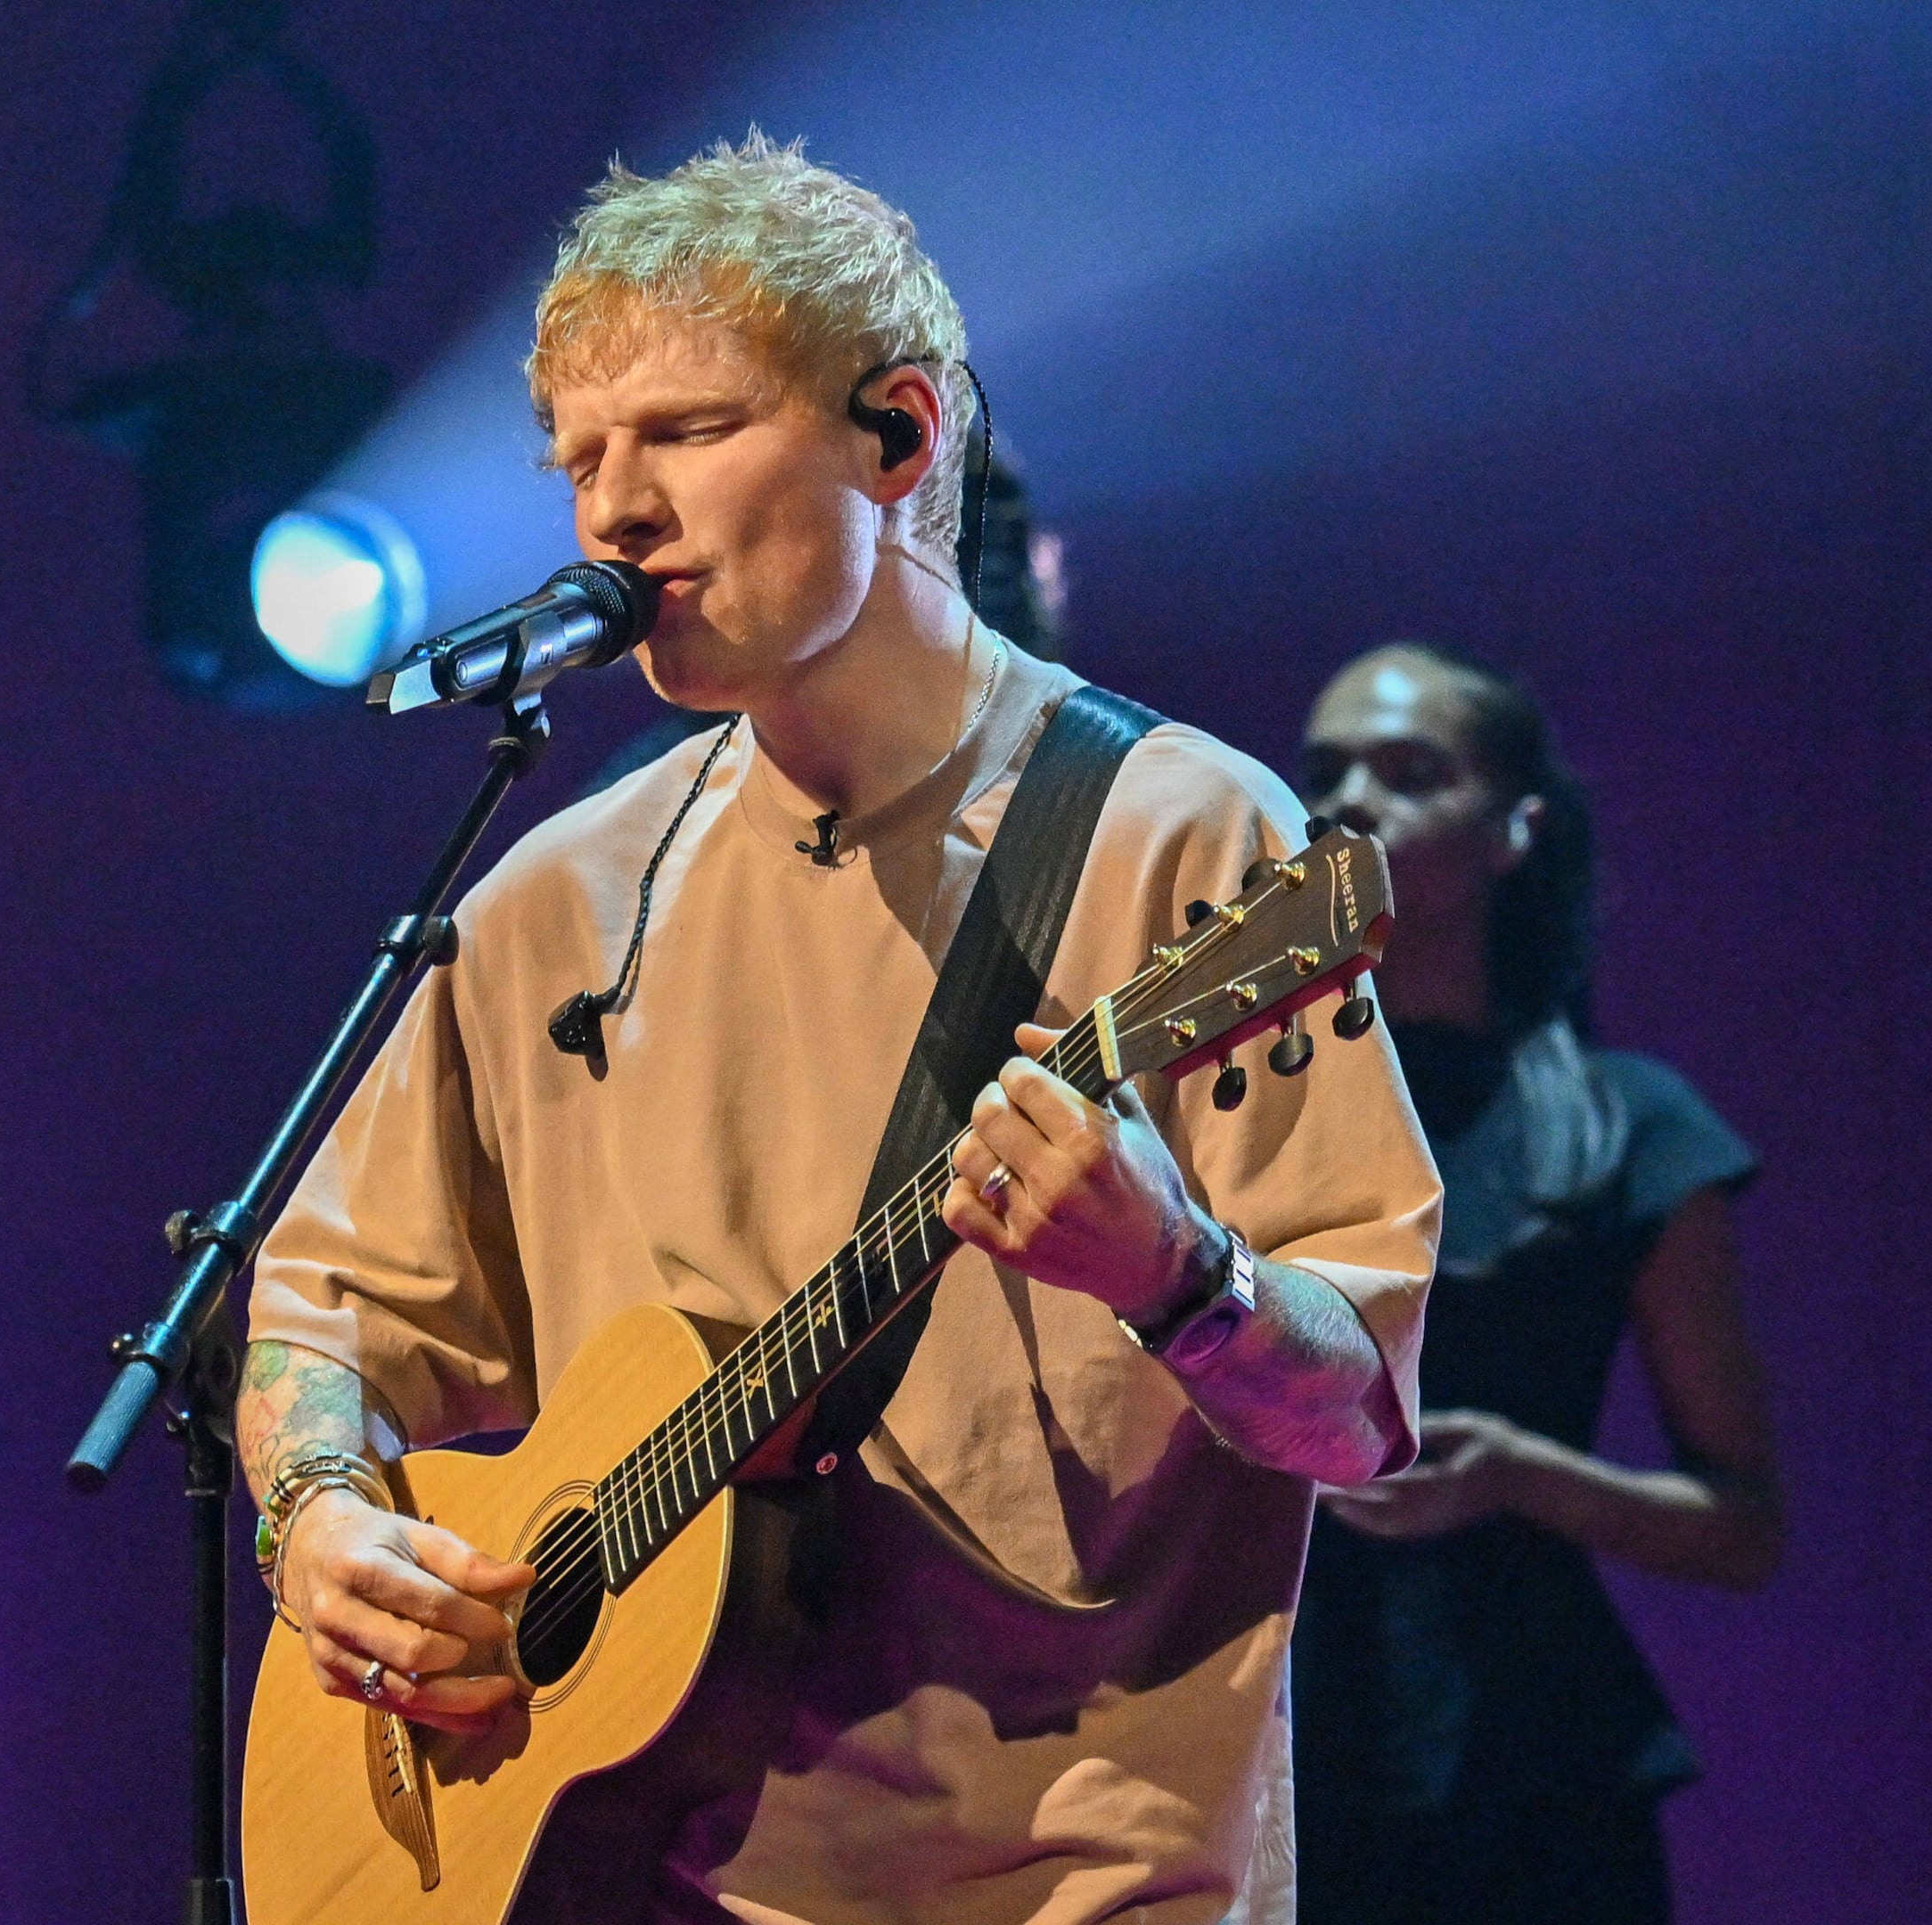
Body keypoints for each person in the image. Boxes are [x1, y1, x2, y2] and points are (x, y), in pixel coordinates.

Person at [238, 135, 1441, 1922]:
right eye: (580, 458)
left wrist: (1179, 1273)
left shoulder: (1187, 838)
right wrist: (325, 1517)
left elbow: (1358, 1424)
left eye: (686, 431)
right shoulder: (550, 903)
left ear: (898, 436)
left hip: (1082, 1888)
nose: (612, 511)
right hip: (644, 1874)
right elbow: (318, 1299)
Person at [1284, 643, 1784, 1925]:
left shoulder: (1629, 1125)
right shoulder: (1248, 1109)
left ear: (1515, 831)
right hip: (1268, 1753)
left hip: (1532, 1771)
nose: (1349, 799)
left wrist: (1518, 1471)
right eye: (1325, 768)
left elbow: (1741, 1527)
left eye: (1408, 772)